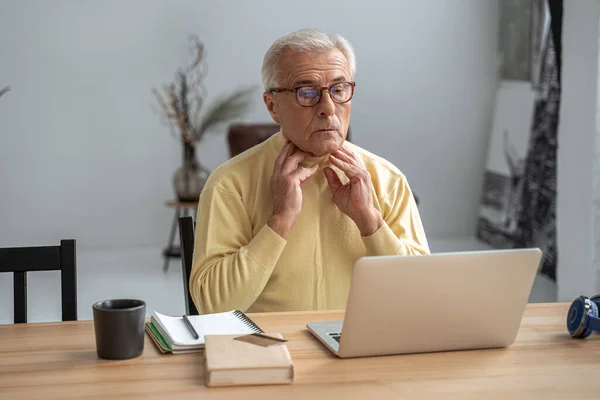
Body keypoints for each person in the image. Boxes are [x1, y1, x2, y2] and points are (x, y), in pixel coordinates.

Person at [189, 29, 429, 314]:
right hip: (267, 348)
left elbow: (419, 296)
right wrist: (280, 219)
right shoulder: (229, 184)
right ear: (272, 105)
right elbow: (212, 307)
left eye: (338, 90)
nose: (328, 108)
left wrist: (369, 220)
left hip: (361, 347)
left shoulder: (387, 179)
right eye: (307, 93)